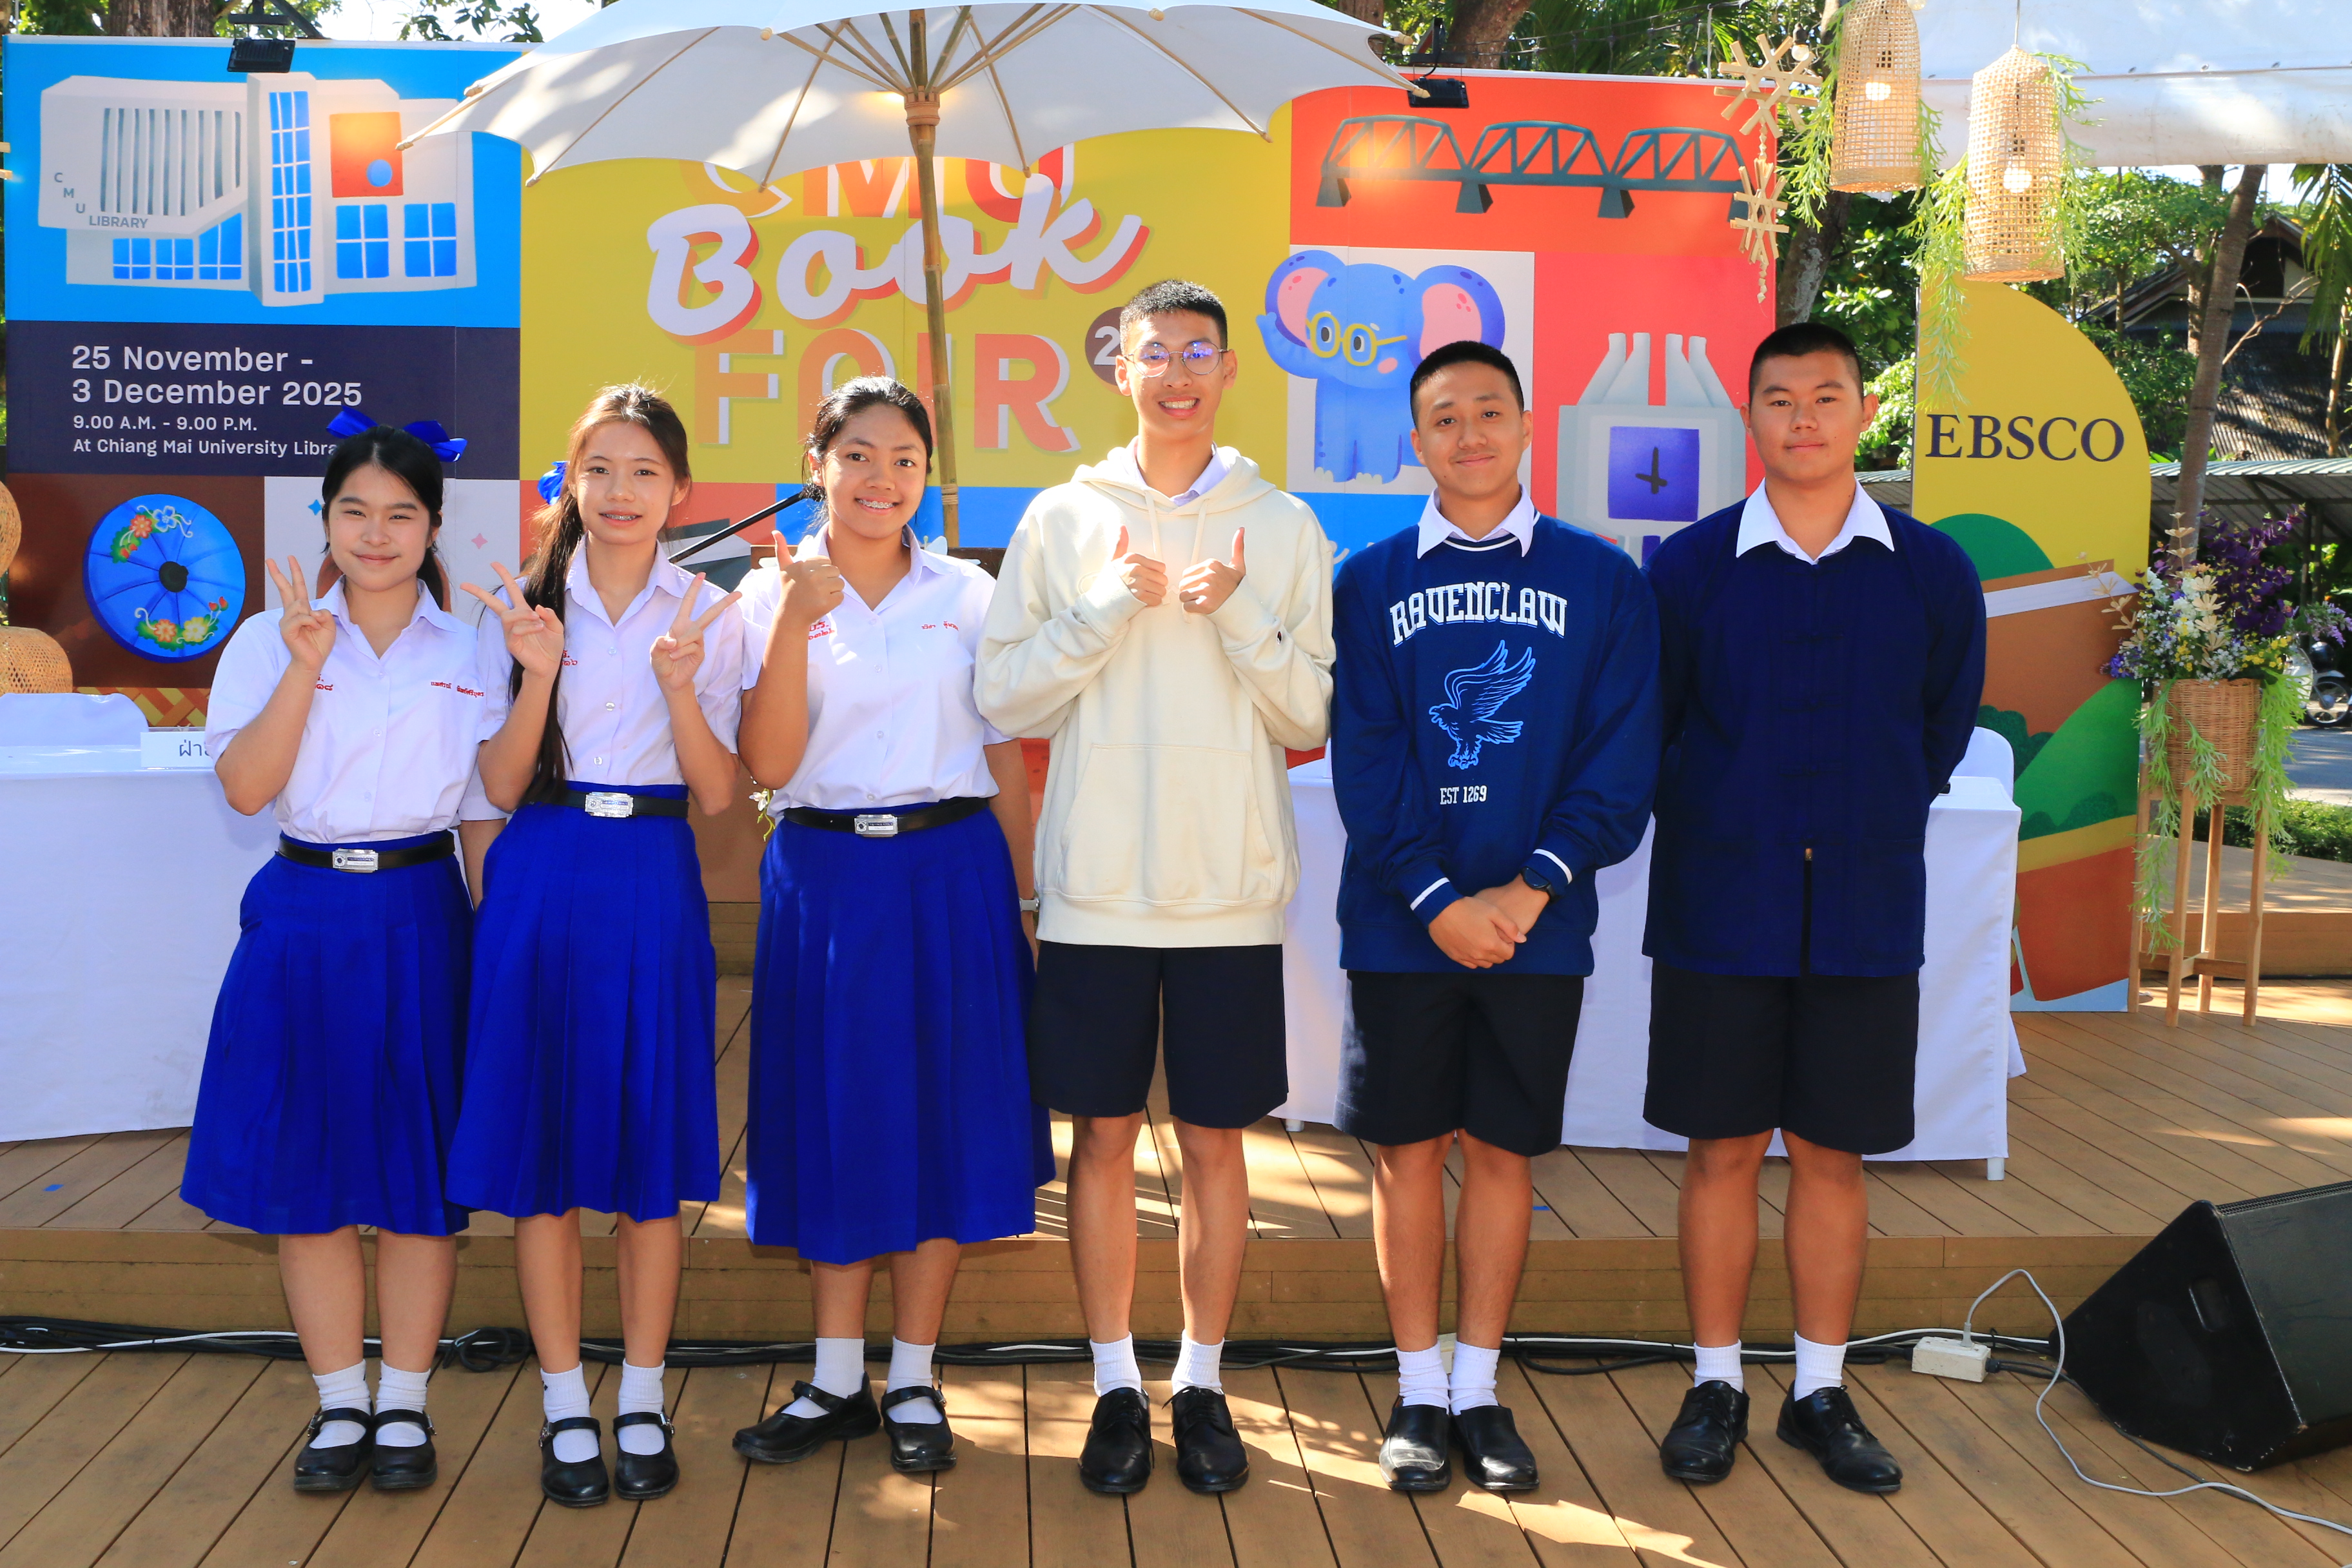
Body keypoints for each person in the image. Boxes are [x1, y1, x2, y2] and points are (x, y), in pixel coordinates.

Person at [977, 279, 1335, 1496]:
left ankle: (1203, 1381)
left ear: (1229, 371)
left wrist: (1240, 615)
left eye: (1197, 353)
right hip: (1096, 890)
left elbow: (1312, 713)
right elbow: (1004, 696)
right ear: (1117, 369)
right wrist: (1097, 612)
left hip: (1229, 889)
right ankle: (1113, 1385)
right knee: (1103, 1138)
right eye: (1154, 354)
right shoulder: (1062, 518)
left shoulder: (1281, 524)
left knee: (1219, 1142)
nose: (1176, 373)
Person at [1643, 321, 1985, 1494]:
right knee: (1722, 1149)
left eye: (1827, 396)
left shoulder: (1930, 569)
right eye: (1780, 398)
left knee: (1834, 1154)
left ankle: (1822, 1390)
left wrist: (1862, 813)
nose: (1803, 418)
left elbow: (1938, 731)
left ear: (1864, 412)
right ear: (1749, 416)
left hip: (1863, 902)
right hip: (1720, 901)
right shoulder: (1689, 567)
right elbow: (1658, 727)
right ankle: (1716, 1384)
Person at [1328, 340, 1660, 1494]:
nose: (1468, 434)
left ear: (1525, 426)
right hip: (1401, 924)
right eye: (1443, 418)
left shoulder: (1603, 579)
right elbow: (1367, 758)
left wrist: (1527, 891)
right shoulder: (1368, 581)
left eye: (1488, 412)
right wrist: (1434, 899)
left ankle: (1479, 1387)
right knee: (1408, 1154)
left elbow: (1622, 755)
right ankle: (1419, 1390)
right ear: (1416, 441)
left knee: (1506, 1153)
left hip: (1536, 923)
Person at [727, 378, 1052, 1475]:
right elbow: (768, 763)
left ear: (927, 473)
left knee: (941, 1116)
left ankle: (912, 1376)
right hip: (824, 876)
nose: (883, 478)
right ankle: (833, 1380)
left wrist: (1026, 898)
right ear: (816, 464)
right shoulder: (764, 595)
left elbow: (1006, 757)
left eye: (905, 458)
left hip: (952, 871)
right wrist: (793, 617)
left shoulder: (969, 591)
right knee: (836, 1113)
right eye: (858, 455)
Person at [446, 384, 745, 1508]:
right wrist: (539, 671)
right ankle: (566, 1400)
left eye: (644, 472)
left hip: (654, 874)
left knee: (648, 1156)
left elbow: (720, 794)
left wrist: (680, 689)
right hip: (544, 865)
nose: (620, 492)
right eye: (600, 469)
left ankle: (644, 1396)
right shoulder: (523, 604)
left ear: (680, 491)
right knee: (545, 1154)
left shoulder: (708, 613)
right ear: (569, 483)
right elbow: (498, 783)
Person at [184, 423, 480, 1494]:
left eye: (402, 513)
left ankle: (405, 1406)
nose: (377, 533)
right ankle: (340, 1403)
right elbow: (246, 790)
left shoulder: (472, 651)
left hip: (422, 913)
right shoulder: (270, 640)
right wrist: (306, 669)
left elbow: (483, 813)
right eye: (354, 510)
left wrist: (498, 951)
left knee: (416, 1181)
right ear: (325, 518)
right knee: (306, 1174)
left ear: (434, 526)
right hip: (304, 911)